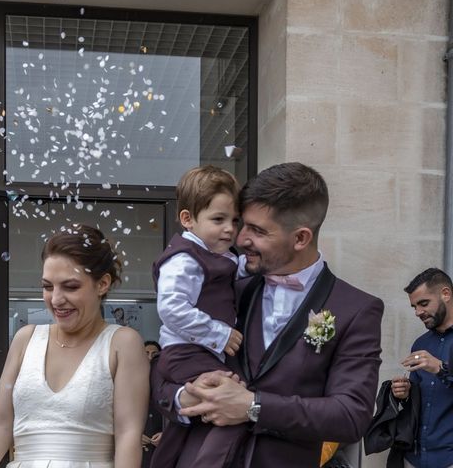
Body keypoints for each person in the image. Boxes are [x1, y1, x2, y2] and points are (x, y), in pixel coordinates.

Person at [152, 162, 385, 467]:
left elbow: (351, 416)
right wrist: (187, 397)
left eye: (257, 231)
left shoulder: (356, 309)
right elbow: (164, 369)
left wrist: (253, 406)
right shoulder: (224, 286)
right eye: (241, 224)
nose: (239, 238)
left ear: (300, 238)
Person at [0, 225, 149, 468]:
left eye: (70, 287)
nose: (56, 299)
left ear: (102, 284)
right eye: (48, 286)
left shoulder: (122, 343)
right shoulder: (25, 338)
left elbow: (128, 435)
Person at [151, 165, 245, 467]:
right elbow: (172, 308)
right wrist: (220, 334)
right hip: (186, 353)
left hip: (197, 353)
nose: (230, 229)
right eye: (218, 220)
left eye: (234, 220)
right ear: (188, 219)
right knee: (232, 395)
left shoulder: (223, 256)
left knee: (205, 411)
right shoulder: (183, 259)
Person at [390, 268, 453, 468]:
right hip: (414, 459)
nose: (418, 312)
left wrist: (441, 368)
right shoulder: (421, 344)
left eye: (423, 303)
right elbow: (417, 403)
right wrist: (405, 393)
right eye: (414, 306)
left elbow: (441, 372)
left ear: (446, 294)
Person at [142, 341, 163, 468]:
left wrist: (166, 434)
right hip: (139, 451)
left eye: (154, 354)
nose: (150, 357)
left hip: (163, 449)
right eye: (146, 353)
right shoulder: (129, 383)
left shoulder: (165, 382)